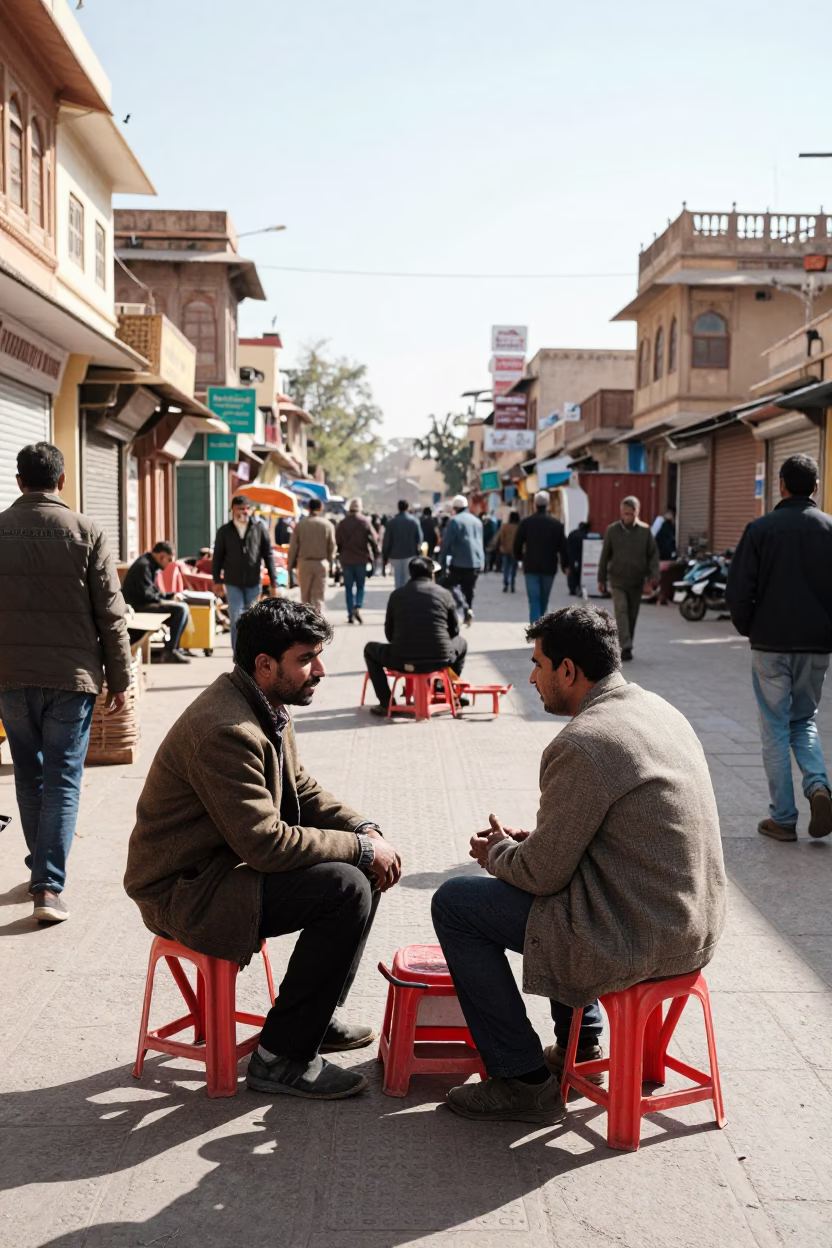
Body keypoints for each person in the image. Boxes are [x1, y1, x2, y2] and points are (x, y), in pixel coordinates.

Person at [431, 604, 726, 1124]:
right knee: (555, 893)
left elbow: (543, 873)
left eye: (538, 663)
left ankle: (520, 1080)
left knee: (457, 903)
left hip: (638, 933)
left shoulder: (583, 742)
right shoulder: (658, 710)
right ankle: (584, 1047)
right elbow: (602, 836)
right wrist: (531, 843)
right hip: (693, 927)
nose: (532, 676)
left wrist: (498, 854)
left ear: (568, 670)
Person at [125, 598, 402, 1099]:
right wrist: (359, 850)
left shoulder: (269, 704)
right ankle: (281, 1057)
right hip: (185, 890)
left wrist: (365, 831)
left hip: (225, 866)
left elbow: (302, 787)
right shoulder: (226, 729)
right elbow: (266, 845)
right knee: (346, 883)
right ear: (265, 665)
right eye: (306, 659)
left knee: (362, 866)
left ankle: (311, 1020)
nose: (319, 670)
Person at [0, 442, 131, 924]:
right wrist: (120, 678)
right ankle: (48, 886)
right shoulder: (87, 531)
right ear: (61, 482)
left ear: (19, 481)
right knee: (63, 779)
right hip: (70, 680)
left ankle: (42, 867)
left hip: (10, 678)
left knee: (30, 774)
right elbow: (111, 615)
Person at [726, 453, 832, 842]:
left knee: (774, 727)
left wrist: (750, 627)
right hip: (817, 646)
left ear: (782, 485)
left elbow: (738, 591)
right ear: (816, 488)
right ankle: (818, 786)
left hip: (770, 645)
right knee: (803, 719)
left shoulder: (760, 529)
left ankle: (783, 818)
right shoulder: (829, 529)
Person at [363, 556, 468, 716]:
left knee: (369, 650)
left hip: (401, 659)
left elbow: (389, 634)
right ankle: (441, 688)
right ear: (431, 574)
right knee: (462, 643)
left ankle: (386, 702)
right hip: (440, 660)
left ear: (410, 573)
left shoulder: (396, 595)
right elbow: (454, 631)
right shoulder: (444, 594)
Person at [212, 496, 278, 656]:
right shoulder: (224, 531)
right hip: (232, 581)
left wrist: (273, 580)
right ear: (233, 510)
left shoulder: (258, 528)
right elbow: (217, 557)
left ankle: (249, 653)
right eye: (241, 508)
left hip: (253, 581)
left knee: (251, 619)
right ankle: (238, 654)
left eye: (247, 508)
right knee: (236, 617)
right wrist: (217, 580)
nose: (244, 512)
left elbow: (267, 554)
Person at [597, 495, 659, 661]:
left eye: (630, 514)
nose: (627, 517)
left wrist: (654, 575)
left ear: (637, 512)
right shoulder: (612, 530)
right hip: (617, 580)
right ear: (621, 512)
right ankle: (625, 646)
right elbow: (605, 556)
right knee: (621, 611)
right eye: (624, 513)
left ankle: (626, 645)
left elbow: (653, 554)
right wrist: (601, 579)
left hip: (636, 581)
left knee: (632, 615)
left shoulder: (645, 531)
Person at [122, 541, 192, 664]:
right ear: (162, 556)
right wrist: (165, 600)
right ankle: (169, 651)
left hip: (144, 603)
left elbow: (151, 593)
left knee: (183, 607)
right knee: (181, 609)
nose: (169, 563)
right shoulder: (144, 566)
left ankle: (174, 648)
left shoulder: (150, 565)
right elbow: (146, 595)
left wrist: (169, 596)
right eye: (169, 560)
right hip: (138, 607)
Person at [513, 491, 570, 624]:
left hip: (531, 566)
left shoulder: (526, 523)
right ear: (548, 505)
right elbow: (563, 547)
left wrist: (519, 558)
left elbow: (517, 544)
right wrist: (565, 565)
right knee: (544, 599)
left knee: (533, 599)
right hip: (549, 567)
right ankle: (541, 627)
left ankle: (535, 628)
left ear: (534, 505)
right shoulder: (556, 525)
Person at [439, 494, 485, 624]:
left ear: (455, 508)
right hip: (476, 561)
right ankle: (469, 610)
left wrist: (442, 562)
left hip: (459, 561)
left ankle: (464, 608)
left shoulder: (455, 521)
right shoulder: (477, 521)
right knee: (469, 588)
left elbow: (447, 543)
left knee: (450, 585)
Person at [288, 498, 336, 615]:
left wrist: (291, 565)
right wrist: (330, 562)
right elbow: (332, 547)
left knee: (305, 597)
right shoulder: (328, 525)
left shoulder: (300, 525)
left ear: (308, 508)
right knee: (318, 597)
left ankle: (306, 623)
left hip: (304, 564)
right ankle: (318, 623)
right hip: (321, 564)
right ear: (321, 508)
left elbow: (293, 547)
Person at [336, 497, 378, 624]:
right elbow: (374, 539)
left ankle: (350, 614)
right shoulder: (365, 522)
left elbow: (337, 541)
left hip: (346, 559)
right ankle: (357, 605)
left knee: (348, 587)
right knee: (361, 585)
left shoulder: (342, 523)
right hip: (361, 559)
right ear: (360, 508)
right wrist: (374, 553)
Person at [381, 499, 423, 589]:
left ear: (398, 508)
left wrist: (385, 556)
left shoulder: (391, 522)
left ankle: (399, 595)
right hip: (410, 554)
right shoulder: (414, 521)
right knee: (408, 577)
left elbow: (387, 541)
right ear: (408, 508)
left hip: (395, 555)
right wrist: (419, 553)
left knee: (398, 578)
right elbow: (420, 539)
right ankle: (406, 596)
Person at [654, 507, 678, 605]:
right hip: (663, 556)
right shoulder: (664, 525)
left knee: (664, 578)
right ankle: (662, 597)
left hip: (664, 556)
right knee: (664, 578)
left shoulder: (667, 526)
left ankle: (662, 597)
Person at [496, 510, 520, 593]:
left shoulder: (505, 526)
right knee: (513, 568)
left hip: (505, 550)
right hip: (515, 551)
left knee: (506, 567)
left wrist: (501, 546)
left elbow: (501, 537)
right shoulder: (519, 527)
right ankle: (512, 584)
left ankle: (506, 583)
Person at [566, 520, 591, 596]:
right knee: (580, 573)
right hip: (581, 557)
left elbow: (567, 545)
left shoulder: (572, 533)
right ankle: (579, 588)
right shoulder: (585, 535)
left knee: (572, 573)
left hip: (571, 556)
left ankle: (572, 589)